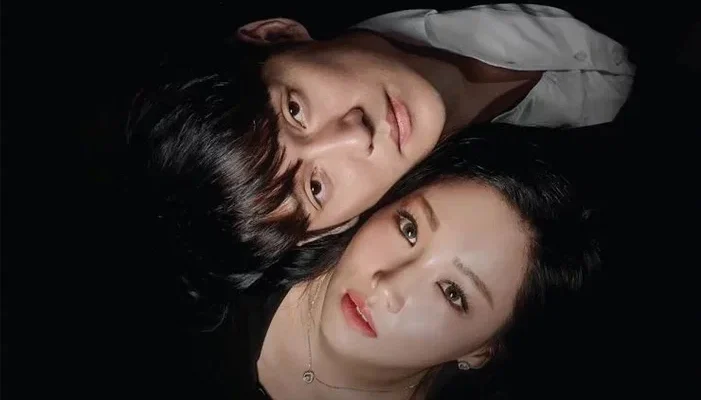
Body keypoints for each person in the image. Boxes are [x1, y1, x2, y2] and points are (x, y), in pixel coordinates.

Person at [124, 3, 625, 291]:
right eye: (316, 188)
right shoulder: (541, 217)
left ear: (276, 35)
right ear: (338, 226)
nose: (355, 135)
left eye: (295, 110)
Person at [175, 132, 601, 399]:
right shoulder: (228, 270)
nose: (386, 285)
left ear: (481, 350)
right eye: (409, 229)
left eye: (452, 292)